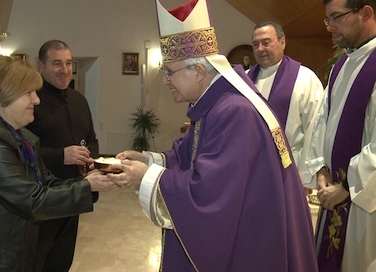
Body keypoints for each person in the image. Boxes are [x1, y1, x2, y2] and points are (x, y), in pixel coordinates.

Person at [108, 0, 318, 271]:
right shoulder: (214, 104)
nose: (165, 81)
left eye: (169, 72)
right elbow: (190, 155)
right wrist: (149, 160)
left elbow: (208, 195)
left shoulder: (235, 113)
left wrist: (144, 176)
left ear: (197, 70)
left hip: (250, 242)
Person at [0, 56, 118, 272]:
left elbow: (46, 184)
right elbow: (32, 201)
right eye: (28, 93)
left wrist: (90, 181)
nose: (37, 100)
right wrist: (88, 186)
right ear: (1, 99)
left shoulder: (18, 136)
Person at [305, 0, 376, 271]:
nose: (329, 27)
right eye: (327, 19)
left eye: (336, 17)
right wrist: (321, 167)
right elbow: (323, 120)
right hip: (333, 194)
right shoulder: (340, 66)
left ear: (366, 13)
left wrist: (347, 188)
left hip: (365, 204)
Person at [27, 40, 99, 272]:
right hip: (42, 197)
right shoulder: (31, 102)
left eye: (68, 63)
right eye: (57, 63)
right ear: (41, 65)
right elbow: (22, 152)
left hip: (73, 193)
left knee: (62, 261)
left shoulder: (79, 100)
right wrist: (62, 156)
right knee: (37, 262)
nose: (65, 69)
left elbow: (91, 139)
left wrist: (91, 161)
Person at [247, 21, 324, 189]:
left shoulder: (304, 78)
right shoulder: (244, 80)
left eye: (266, 42)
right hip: (249, 171)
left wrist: (304, 177)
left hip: (289, 170)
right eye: (255, 44)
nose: (260, 48)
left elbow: (314, 129)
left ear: (282, 42)